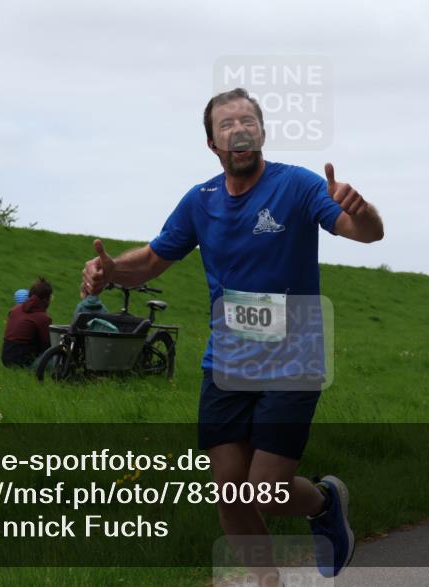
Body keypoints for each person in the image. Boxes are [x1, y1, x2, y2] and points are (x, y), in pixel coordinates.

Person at [80, 88, 384, 584]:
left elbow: (364, 231)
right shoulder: (200, 202)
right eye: (227, 124)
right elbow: (154, 260)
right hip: (226, 365)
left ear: (261, 133)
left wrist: (362, 208)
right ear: (212, 144)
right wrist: (110, 271)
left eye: (248, 121)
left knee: (265, 492)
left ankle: (325, 503)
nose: (239, 129)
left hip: (294, 361)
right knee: (229, 495)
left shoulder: (299, 187)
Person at [1, 277, 53, 367]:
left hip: (6, 359)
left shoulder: (15, 309)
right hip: (23, 362)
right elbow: (47, 346)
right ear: (46, 299)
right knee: (55, 358)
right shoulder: (43, 318)